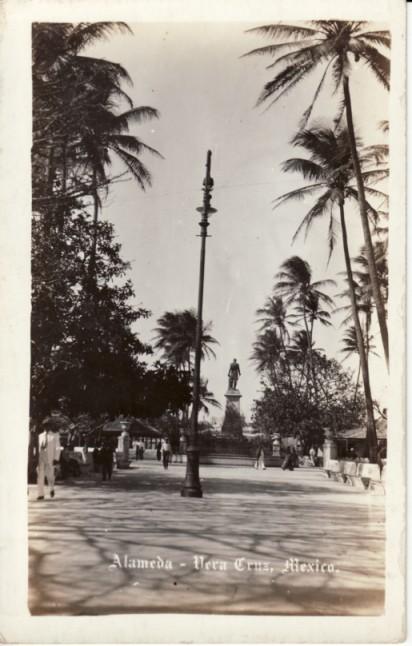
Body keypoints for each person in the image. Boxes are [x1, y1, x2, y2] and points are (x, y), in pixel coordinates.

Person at [37, 417, 61, 500]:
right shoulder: (40, 436)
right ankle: (41, 494)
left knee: (50, 476)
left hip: (50, 459)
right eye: (45, 426)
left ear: (50, 426)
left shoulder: (55, 436)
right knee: (40, 476)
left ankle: (51, 488)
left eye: (48, 425)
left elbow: (58, 448)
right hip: (41, 458)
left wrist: (56, 459)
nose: (46, 427)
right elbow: (38, 448)